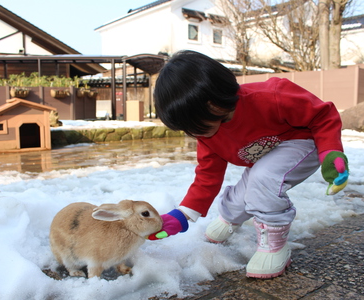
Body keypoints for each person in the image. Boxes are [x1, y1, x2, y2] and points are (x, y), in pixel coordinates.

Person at [149, 50, 349, 279]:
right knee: (254, 181)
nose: (191, 133)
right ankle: (230, 216)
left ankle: (275, 244)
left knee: (263, 178)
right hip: (268, 159)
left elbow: (322, 115)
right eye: (186, 128)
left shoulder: (271, 96)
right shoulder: (207, 135)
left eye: (193, 123)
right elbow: (207, 176)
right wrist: (183, 215)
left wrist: (330, 150)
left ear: (213, 103)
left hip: (304, 142)